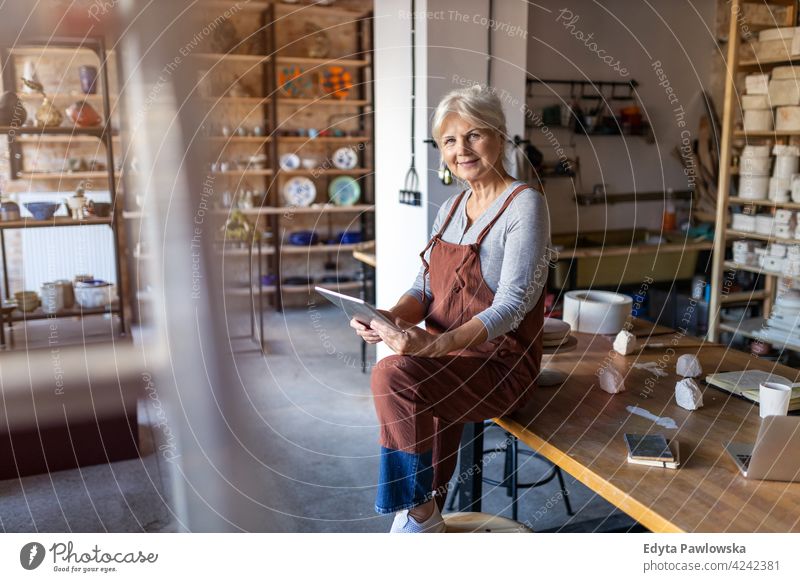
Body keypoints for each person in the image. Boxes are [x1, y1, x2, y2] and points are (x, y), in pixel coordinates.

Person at [351, 84, 551, 533]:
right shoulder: (452, 206)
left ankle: (418, 513)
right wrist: (385, 316)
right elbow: (424, 289)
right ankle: (424, 512)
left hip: (499, 366)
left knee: (392, 374)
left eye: (474, 135)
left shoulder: (525, 206)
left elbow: (514, 306)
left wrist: (440, 343)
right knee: (403, 375)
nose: (462, 150)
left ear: (499, 136)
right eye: (449, 140)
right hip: (449, 358)